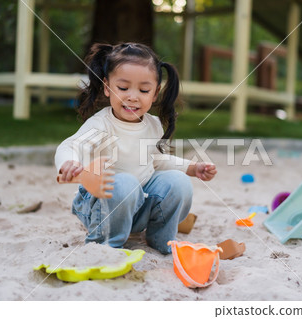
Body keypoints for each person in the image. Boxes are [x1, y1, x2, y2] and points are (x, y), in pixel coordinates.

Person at [55, 43, 217, 254]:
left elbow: (157, 161)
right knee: (125, 183)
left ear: (155, 93)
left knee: (179, 182)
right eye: (123, 88)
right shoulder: (102, 124)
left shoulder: (153, 124)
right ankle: (105, 244)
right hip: (100, 207)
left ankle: (162, 241)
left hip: (139, 206)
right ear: (107, 87)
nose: (132, 96)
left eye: (143, 90)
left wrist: (192, 168)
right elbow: (71, 145)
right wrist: (69, 162)